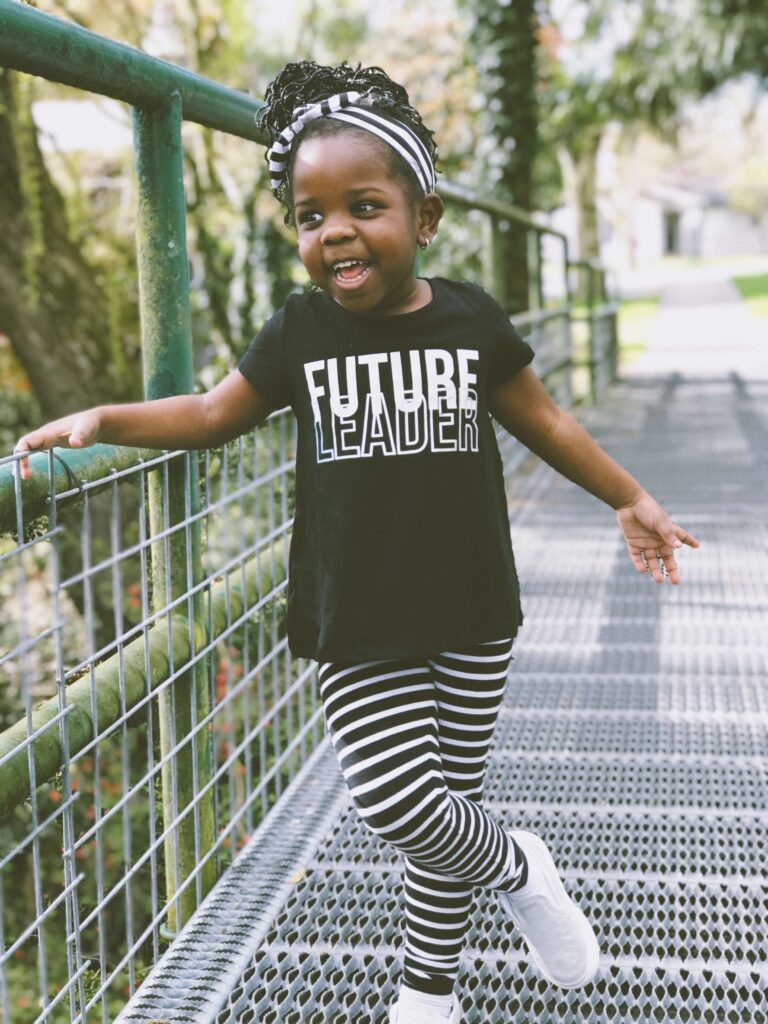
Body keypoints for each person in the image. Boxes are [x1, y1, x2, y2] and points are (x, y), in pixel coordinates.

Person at [15, 61, 699, 1024]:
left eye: (363, 206)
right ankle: (521, 867)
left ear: (424, 219)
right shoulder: (300, 331)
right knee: (397, 802)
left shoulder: (469, 320)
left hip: (470, 607)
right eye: (309, 215)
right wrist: (106, 417)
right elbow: (212, 413)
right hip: (356, 613)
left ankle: (427, 994)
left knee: (444, 808)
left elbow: (545, 422)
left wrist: (629, 496)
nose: (333, 229)